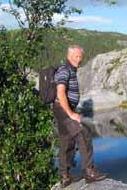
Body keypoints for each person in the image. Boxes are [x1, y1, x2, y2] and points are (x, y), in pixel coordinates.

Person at [53, 45, 106, 187]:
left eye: (81, 57)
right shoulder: (65, 70)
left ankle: (65, 176)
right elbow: (60, 92)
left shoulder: (70, 69)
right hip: (64, 110)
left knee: (67, 141)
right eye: (77, 56)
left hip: (63, 109)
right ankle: (89, 172)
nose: (80, 60)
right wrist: (71, 113)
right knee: (84, 134)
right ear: (69, 56)